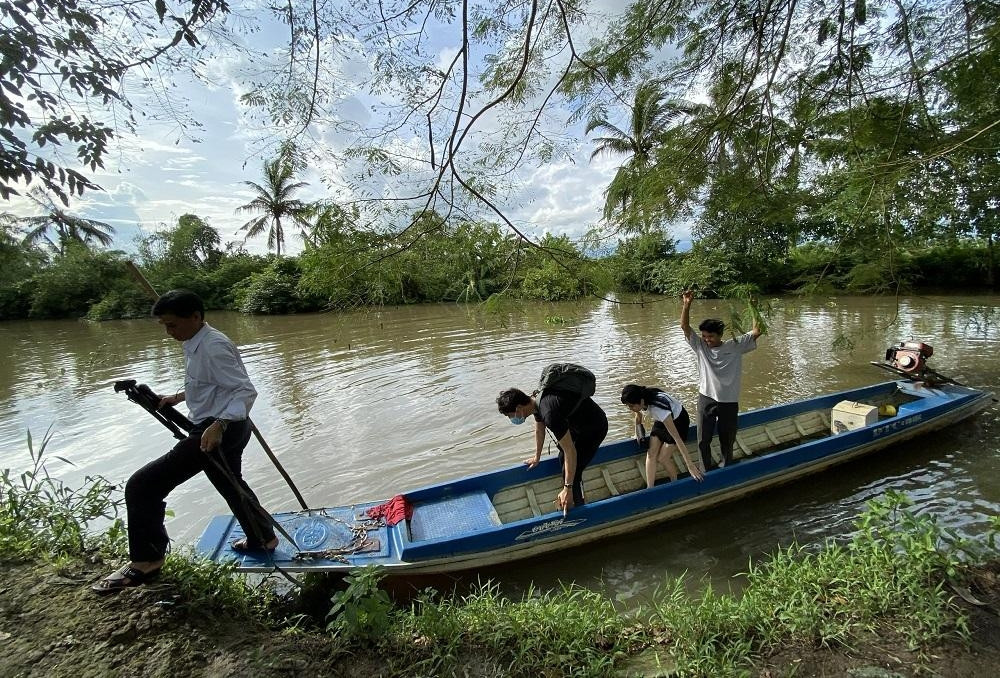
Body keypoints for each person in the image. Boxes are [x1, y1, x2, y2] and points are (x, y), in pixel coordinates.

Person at [93, 289, 277, 593]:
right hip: (221, 424)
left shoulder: (213, 346)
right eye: (165, 326)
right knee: (230, 483)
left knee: (143, 485)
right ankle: (262, 538)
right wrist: (178, 397)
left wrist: (218, 425)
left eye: (172, 325)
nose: (169, 332)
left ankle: (146, 561)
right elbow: (207, 382)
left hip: (220, 428)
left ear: (195, 316)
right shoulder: (196, 341)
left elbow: (244, 391)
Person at [496, 382, 608, 514]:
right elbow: (539, 429)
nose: (512, 419)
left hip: (594, 427)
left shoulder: (549, 413)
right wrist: (537, 457)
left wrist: (568, 487)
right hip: (577, 425)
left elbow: (570, 451)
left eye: (510, 415)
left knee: (574, 469)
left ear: (519, 408)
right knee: (563, 460)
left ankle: (578, 507)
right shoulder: (536, 402)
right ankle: (572, 497)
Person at [680, 290, 761, 471]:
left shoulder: (735, 345)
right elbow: (685, 327)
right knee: (703, 439)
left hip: (728, 400)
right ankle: (705, 469)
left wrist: (753, 306)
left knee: (727, 437)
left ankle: (726, 467)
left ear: (720, 335)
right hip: (706, 397)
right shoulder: (700, 347)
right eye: (705, 336)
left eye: (711, 336)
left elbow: (757, 331)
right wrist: (686, 304)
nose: (707, 340)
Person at [620, 384, 704, 488]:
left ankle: (675, 483)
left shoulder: (658, 409)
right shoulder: (642, 399)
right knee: (651, 453)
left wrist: (690, 465)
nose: (630, 409)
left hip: (678, 422)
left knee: (663, 458)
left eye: (631, 406)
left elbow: (677, 438)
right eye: (628, 406)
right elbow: (638, 415)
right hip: (661, 420)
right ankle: (650, 488)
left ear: (641, 401)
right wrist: (637, 433)